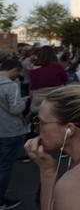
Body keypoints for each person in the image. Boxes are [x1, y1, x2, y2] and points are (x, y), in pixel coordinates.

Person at [0, 59, 29, 210]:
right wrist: (24, 100)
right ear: (14, 70)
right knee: (4, 166)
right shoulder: (11, 86)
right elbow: (16, 109)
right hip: (10, 130)